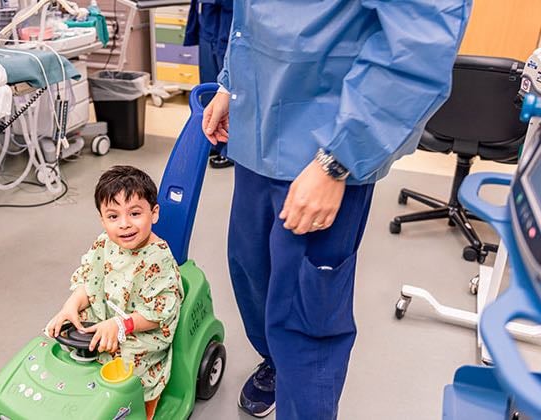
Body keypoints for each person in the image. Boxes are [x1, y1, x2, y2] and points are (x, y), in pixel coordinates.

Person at [201, 1, 472, 418]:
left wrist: (338, 159)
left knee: (306, 315)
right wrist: (229, 83)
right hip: (256, 127)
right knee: (251, 270)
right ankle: (276, 364)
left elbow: (420, 44)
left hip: (324, 145)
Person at [45, 165, 183, 420]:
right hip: (108, 315)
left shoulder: (158, 259)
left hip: (142, 328)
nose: (125, 225)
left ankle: (145, 405)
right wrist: (70, 306)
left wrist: (121, 325)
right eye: (113, 216)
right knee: (69, 335)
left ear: (153, 214)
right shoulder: (104, 243)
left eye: (134, 213)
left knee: (131, 364)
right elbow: (90, 281)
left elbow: (157, 315)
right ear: (102, 219)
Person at [184, 0, 234, 169]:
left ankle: (229, 149)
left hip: (230, 15)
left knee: (228, 88)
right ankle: (213, 142)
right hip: (209, 16)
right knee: (209, 82)